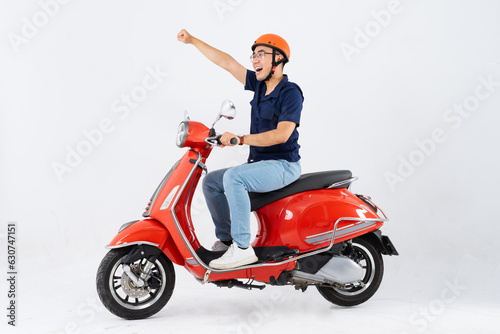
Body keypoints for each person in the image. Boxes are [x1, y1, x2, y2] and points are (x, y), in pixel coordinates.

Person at [177, 29, 304, 269]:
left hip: (284, 166)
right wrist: (193, 41)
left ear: (278, 59)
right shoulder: (258, 86)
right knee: (211, 182)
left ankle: (243, 248)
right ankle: (226, 241)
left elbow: (282, 134)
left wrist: (241, 139)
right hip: (261, 165)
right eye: (253, 55)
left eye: (261, 54)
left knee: (234, 177)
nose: (255, 59)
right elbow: (226, 62)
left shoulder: (290, 93)